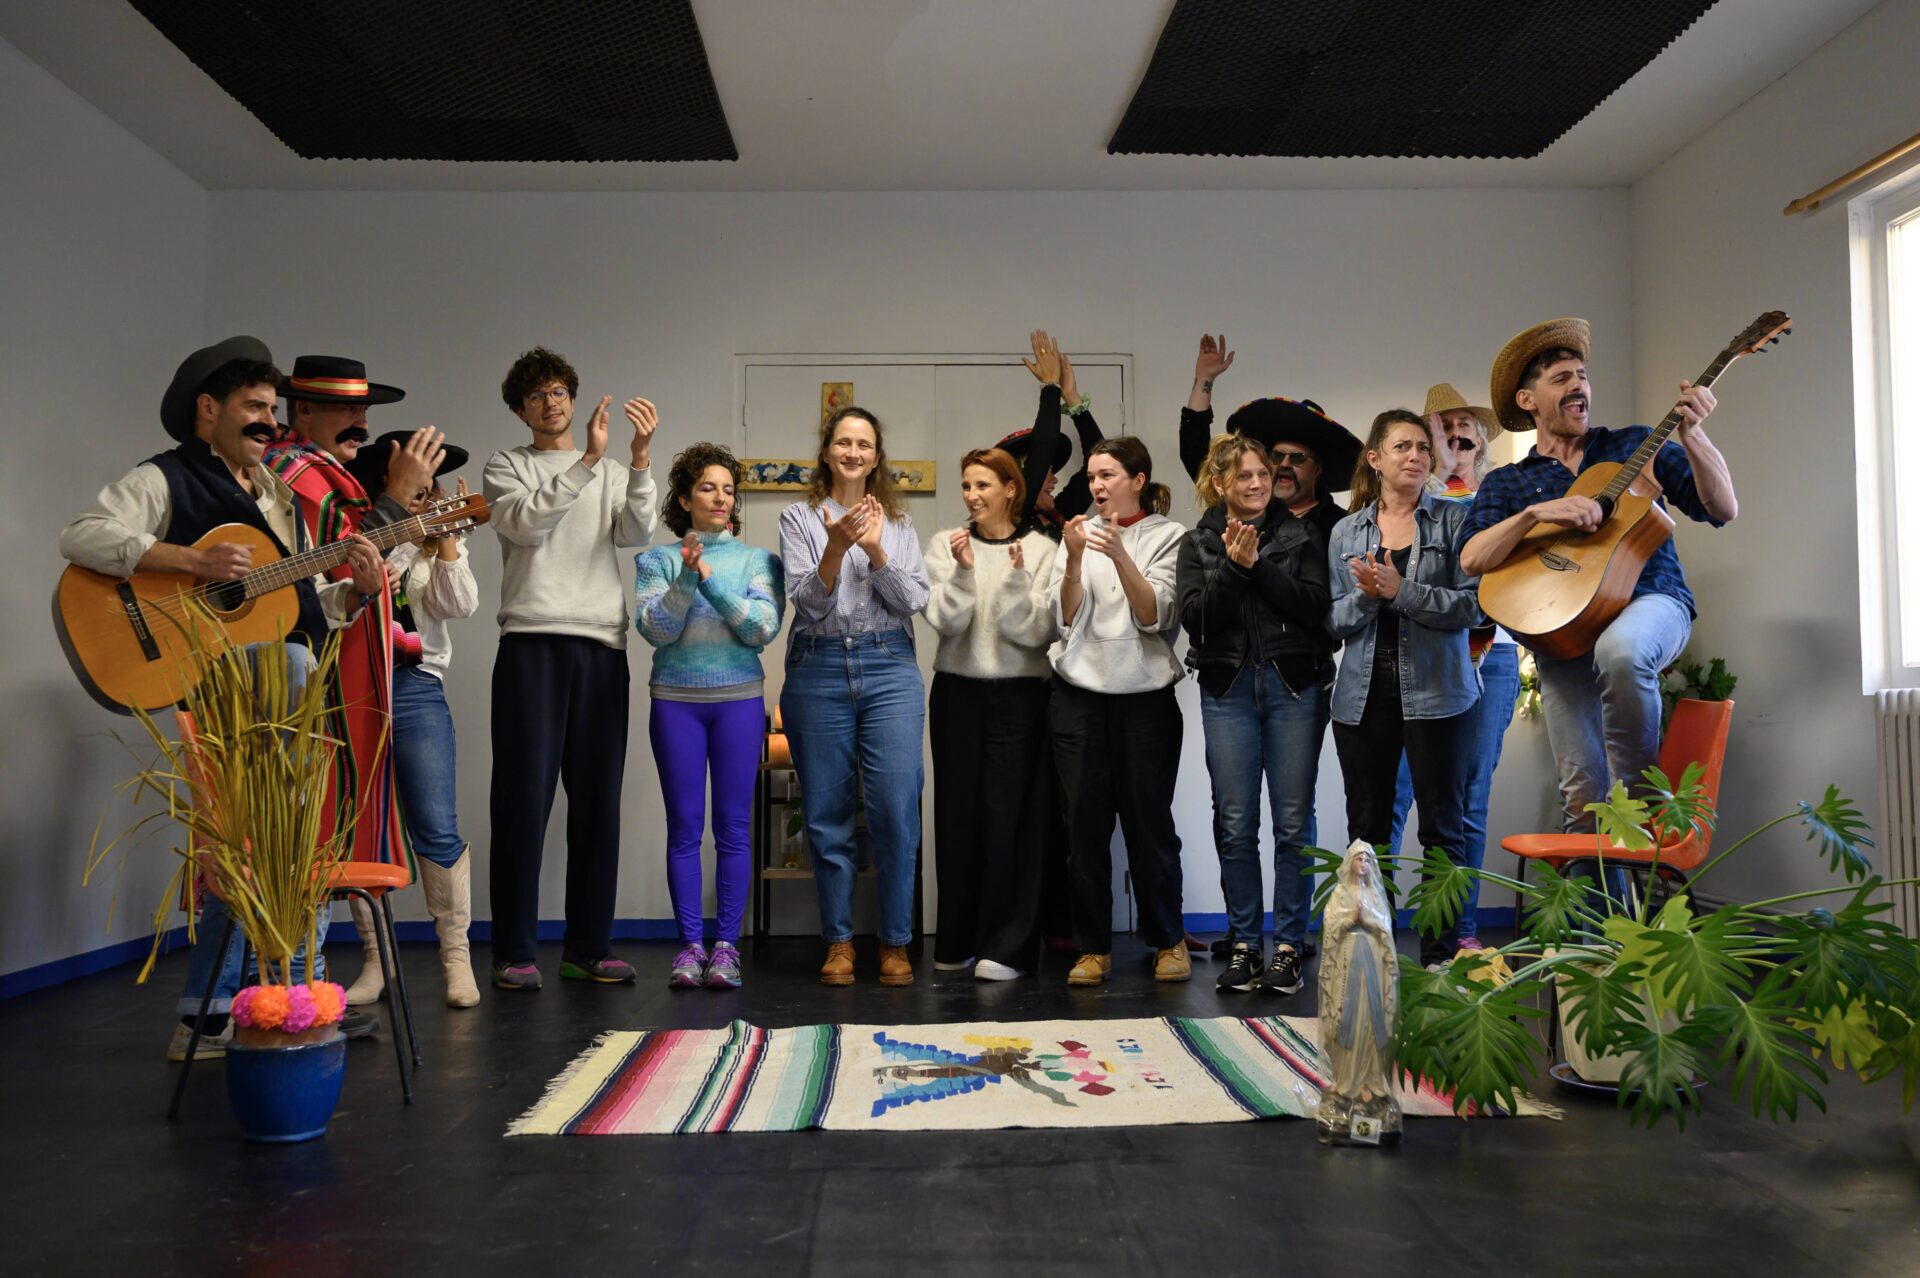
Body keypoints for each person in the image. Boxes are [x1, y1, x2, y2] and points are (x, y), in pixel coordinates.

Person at [59, 337, 386, 1060]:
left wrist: (357, 594)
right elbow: (82, 535)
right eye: (254, 406)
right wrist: (192, 560)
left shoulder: (275, 496)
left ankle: (250, 1007)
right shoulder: (165, 477)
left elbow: (297, 604)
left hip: (282, 692)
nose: (270, 421)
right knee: (250, 849)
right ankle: (235, 1009)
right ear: (208, 409)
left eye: (273, 408)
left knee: (277, 851)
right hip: (224, 692)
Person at [1461, 319, 1734, 858]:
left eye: (1582, 376)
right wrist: (1536, 513)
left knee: (1622, 651)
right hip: (1562, 634)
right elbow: (1472, 557)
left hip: (1652, 599)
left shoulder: (1633, 445)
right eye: (1561, 378)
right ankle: (1592, 912)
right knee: (1581, 795)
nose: (1578, 385)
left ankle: (1643, 811)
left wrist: (1694, 436)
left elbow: (1721, 508)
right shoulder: (1508, 482)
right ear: (1527, 400)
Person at [484, 347, 659, 991]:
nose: (550, 403)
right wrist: (585, 462)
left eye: (558, 391)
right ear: (521, 410)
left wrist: (638, 460)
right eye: (536, 395)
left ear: (573, 397)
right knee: (522, 802)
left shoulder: (611, 470)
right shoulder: (506, 466)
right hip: (531, 644)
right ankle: (513, 952)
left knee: (597, 804)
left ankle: (588, 948)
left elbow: (636, 531)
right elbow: (526, 526)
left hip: (602, 648)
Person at [778, 405, 930, 987]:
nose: (853, 452)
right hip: (817, 668)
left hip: (889, 666)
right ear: (827, 452)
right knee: (826, 815)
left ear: (876, 457)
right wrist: (836, 547)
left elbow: (913, 601)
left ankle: (895, 943)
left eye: (864, 444)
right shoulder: (799, 517)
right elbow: (807, 604)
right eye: (843, 442)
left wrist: (876, 548)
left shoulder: (900, 523)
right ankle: (839, 943)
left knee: (896, 810)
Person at [1177, 434, 1331, 996]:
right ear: (1219, 483)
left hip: (1293, 687)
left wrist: (1257, 566)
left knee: (1293, 823)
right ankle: (1244, 944)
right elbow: (1197, 621)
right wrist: (1234, 569)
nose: (1258, 483)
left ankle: (1288, 946)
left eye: (1263, 474)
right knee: (1235, 822)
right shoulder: (1198, 542)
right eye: (1244, 476)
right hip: (1228, 688)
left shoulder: (1300, 533)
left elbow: (1316, 608)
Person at [1327, 410, 1482, 967]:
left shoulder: (1457, 520)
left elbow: (1476, 606)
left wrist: (1402, 591)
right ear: (1375, 459)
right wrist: (1369, 597)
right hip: (1363, 698)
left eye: (1422, 447)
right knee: (1367, 834)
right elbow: (1334, 621)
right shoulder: (1346, 532)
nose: (1415, 456)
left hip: (1442, 696)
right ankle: (1377, 956)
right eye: (1401, 447)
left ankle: (1441, 958)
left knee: (1443, 830)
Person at [634, 443, 785, 990]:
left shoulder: (759, 561)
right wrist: (685, 576)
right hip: (675, 702)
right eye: (707, 488)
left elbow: (760, 628)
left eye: (727, 490)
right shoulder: (656, 561)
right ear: (684, 499)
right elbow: (656, 630)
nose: (720, 498)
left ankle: (725, 949)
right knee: (684, 827)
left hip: (739, 702)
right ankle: (690, 948)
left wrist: (710, 578)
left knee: (733, 829)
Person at [342, 431, 482, 1008]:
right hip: (353, 684)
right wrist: (393, 542)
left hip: (416, 684)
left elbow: (461, 604)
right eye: (415, 486)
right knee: (365, 825)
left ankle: (456, 959)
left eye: (430, 487)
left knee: (435, 822)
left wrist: (445, 538)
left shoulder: (436, 538)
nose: (425, 495)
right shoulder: (356, 530)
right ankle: (377, 961)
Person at [1047, 437, 1187, 987]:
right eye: (1092, 477)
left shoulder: (1168, 535)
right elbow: (1064, 620)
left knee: (1150, 825)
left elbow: (1156, 615)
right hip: (1078, 696)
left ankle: (1168, 940)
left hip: (1145, 698)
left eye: (1108, 475)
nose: (1097, 485)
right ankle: (1092, 948)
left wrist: (1120, 553)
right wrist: (1074, 557)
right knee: (1083, 827)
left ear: (1138, 480)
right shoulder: (1075, 533)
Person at [1382, 383, 1517, 949]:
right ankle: (1375, 931)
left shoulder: (1500, 495)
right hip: (1426, 655)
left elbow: (1479, 548)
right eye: (1443, 430)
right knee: (1395, 795)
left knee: (1469, 801)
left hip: (1492, 657)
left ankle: (1458, 933)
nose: (1455, 438)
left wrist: (1444, 471)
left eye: (1465, 430)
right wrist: (1436, 469)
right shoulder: (1417, 500)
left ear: (1481, 440)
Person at [923, 446, 1058, 980]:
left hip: (1021, 696)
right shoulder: (946, 544)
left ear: (1010, 489)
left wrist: (1017, 579)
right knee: (957, 817)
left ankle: (1009, 948)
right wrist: (962, 572)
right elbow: (946, 622)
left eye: (983, 485)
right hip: (957, 694)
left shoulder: (1041, 550)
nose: (972, 495)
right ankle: (957, 940)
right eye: (966, 485)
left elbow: (1035, 633)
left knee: (1013, 820)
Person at [1178, 333, 1359, 544]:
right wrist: (1205, 380)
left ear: (1317, 469)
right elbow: (1195, 452)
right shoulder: (1246, 504)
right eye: (1277, 456)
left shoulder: (1341, 527)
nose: (1284, 464)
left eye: (1297, 458)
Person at [995, 329, 1106, 536]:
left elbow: (1099, 460)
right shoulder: (1010, 518)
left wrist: (1072, 397)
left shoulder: (1059, 515)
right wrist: (1050, 386)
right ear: (1017, 477)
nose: (1054, 479)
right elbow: (1044, 445)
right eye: (1046, 470)